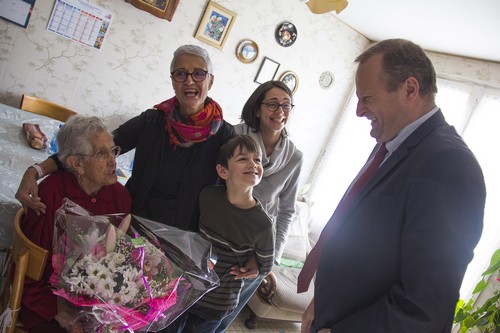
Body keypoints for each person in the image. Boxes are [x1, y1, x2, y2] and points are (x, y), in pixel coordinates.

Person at [299, 39, 486, 333]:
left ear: (410, 89)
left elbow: (425, 306)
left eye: (367, 98)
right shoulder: (391, 142)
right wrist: (322, 303)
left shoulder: (450, 165)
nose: (359, 111)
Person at [15, 44, 234, 232]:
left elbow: (237, 192)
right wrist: (35, 171)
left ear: (210, 81)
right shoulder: (152, 121)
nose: (189, 81)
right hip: (132, 226)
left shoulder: (225, 136)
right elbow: (91, 150)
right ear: (173, 81)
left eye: (198, 73)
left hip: (185, 236)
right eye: (180, 74)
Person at [18, 115, 132, 333]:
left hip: (95, 299)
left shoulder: (121, 197)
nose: (113, 160)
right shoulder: (50, 195)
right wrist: (58, 312)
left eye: (113, 150)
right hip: (47, 300)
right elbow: (31, 270)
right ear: (76, 163)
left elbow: (116, 260)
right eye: (101, 153)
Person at [216, 80, 303, 331]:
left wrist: (270, 259)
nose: (280, 111)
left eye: (286, 105)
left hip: (256, 247)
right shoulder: (232, 135)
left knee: (225, 314)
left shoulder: (295, 158)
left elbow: (287, 210)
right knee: (195, 304)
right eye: (272, 104)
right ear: (257, 109)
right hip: (218, 234)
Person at [167, 134, 275, 333]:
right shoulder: (207, 196)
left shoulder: (263, 224)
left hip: (218, 303)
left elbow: (265, 265)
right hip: (186, 290)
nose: (253, 164)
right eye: (243, 159)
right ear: (222, 171)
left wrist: (255, 265)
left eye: (257, 159)